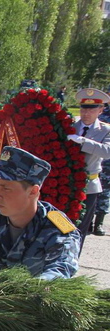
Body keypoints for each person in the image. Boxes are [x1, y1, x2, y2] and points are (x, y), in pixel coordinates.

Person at [0, 146, 80, 280]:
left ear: (32, 191)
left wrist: (29, 290)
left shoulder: (57, 229)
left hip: (36, 297)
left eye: (6, 188)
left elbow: (61, 270)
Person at [68, 88, 110, 251]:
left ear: (101, 110)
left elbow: (107, 152)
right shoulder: (70, 126)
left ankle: (73, 262)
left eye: (92, 109)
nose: (87, 113)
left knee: (81, 228)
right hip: (66, 184)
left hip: (89, 186)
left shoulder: (105, 130)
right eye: (84, 108)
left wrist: (83, 142)